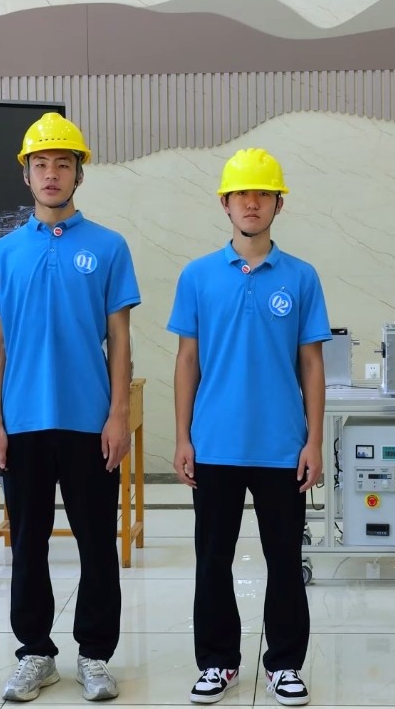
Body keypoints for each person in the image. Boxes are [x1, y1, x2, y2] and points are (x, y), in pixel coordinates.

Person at [0, 111, 142, 703]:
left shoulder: (109, 247)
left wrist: (118, 415)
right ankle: (36, 654)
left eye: (62, 164)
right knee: (29, 543)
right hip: (21, 423)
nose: (51, 174)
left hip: (89, 422)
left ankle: (94, 654)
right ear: (26, 175)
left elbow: (120, 338)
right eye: (41, 164)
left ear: (79, 174)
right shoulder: (3, 253)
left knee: (97, 542)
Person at [167, 148, 330, 706]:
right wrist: (183, 436)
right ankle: (217, 661)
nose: (252, 203)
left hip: (282, 445)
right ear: (225, 203)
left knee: (284, 559)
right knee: (212, 559)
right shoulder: (198, 276)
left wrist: (313, 440)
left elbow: (311, 363)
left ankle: (285, 663)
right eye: (242, 194)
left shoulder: (301, 277)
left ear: (279, 204)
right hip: (215, 443)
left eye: (263, 194)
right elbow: (187, 360)